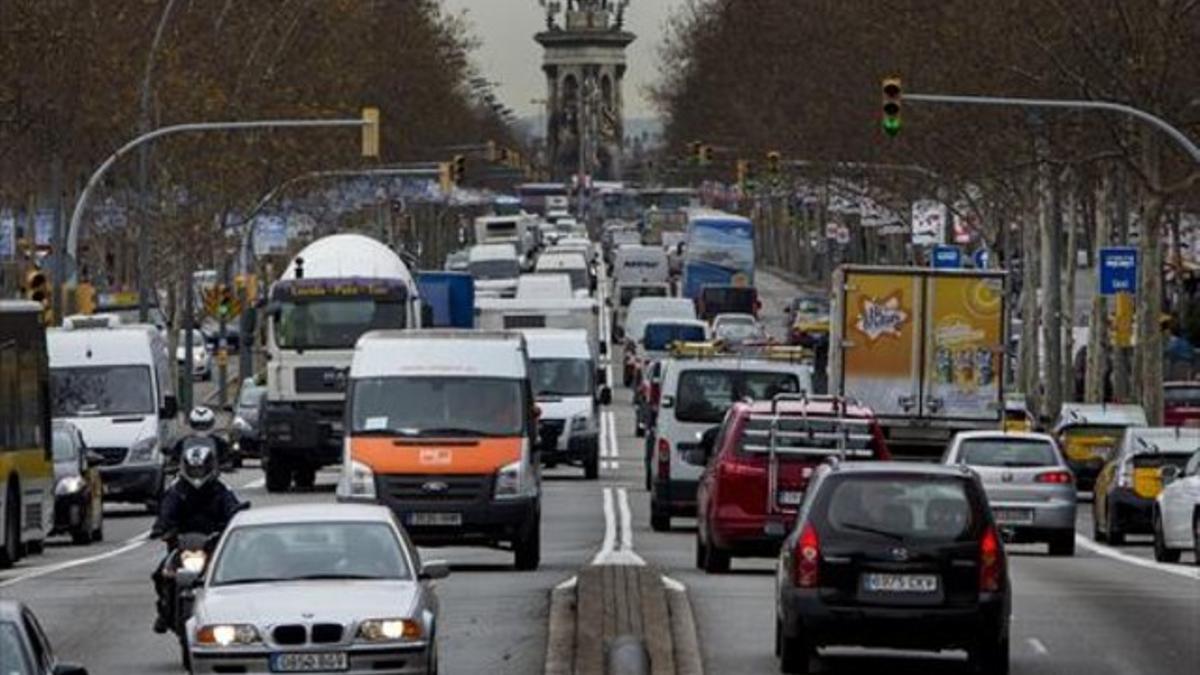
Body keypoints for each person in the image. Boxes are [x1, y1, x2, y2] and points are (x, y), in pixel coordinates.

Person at [150, 406, 243, 634]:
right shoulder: (177, 490)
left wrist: (236, 522)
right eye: (194, 469)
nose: (198, 474)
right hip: (182, 543)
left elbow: (233, 509)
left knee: (234, 574)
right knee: (159, 573)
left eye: (202, 469)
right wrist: (161, 527)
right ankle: (164, 612)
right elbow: (167, 510)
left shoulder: (220, 489)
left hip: (212, 543)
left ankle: (235, 613)